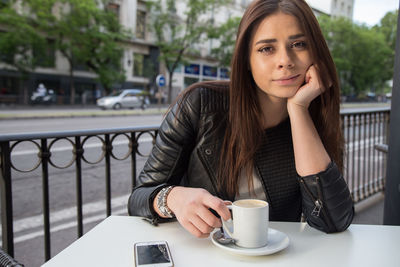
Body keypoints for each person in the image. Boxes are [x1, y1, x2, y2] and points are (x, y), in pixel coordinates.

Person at [128, 0, 354, 238]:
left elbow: (333, 222)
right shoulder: (201, 104)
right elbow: (139, 197)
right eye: (267, 48)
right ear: (246, 58)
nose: (285, 60)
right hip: (202, 253)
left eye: (298, 44)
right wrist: (173, 197)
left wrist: (298, 110)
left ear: (316, 52)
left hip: (273, 258)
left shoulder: (314, 116)